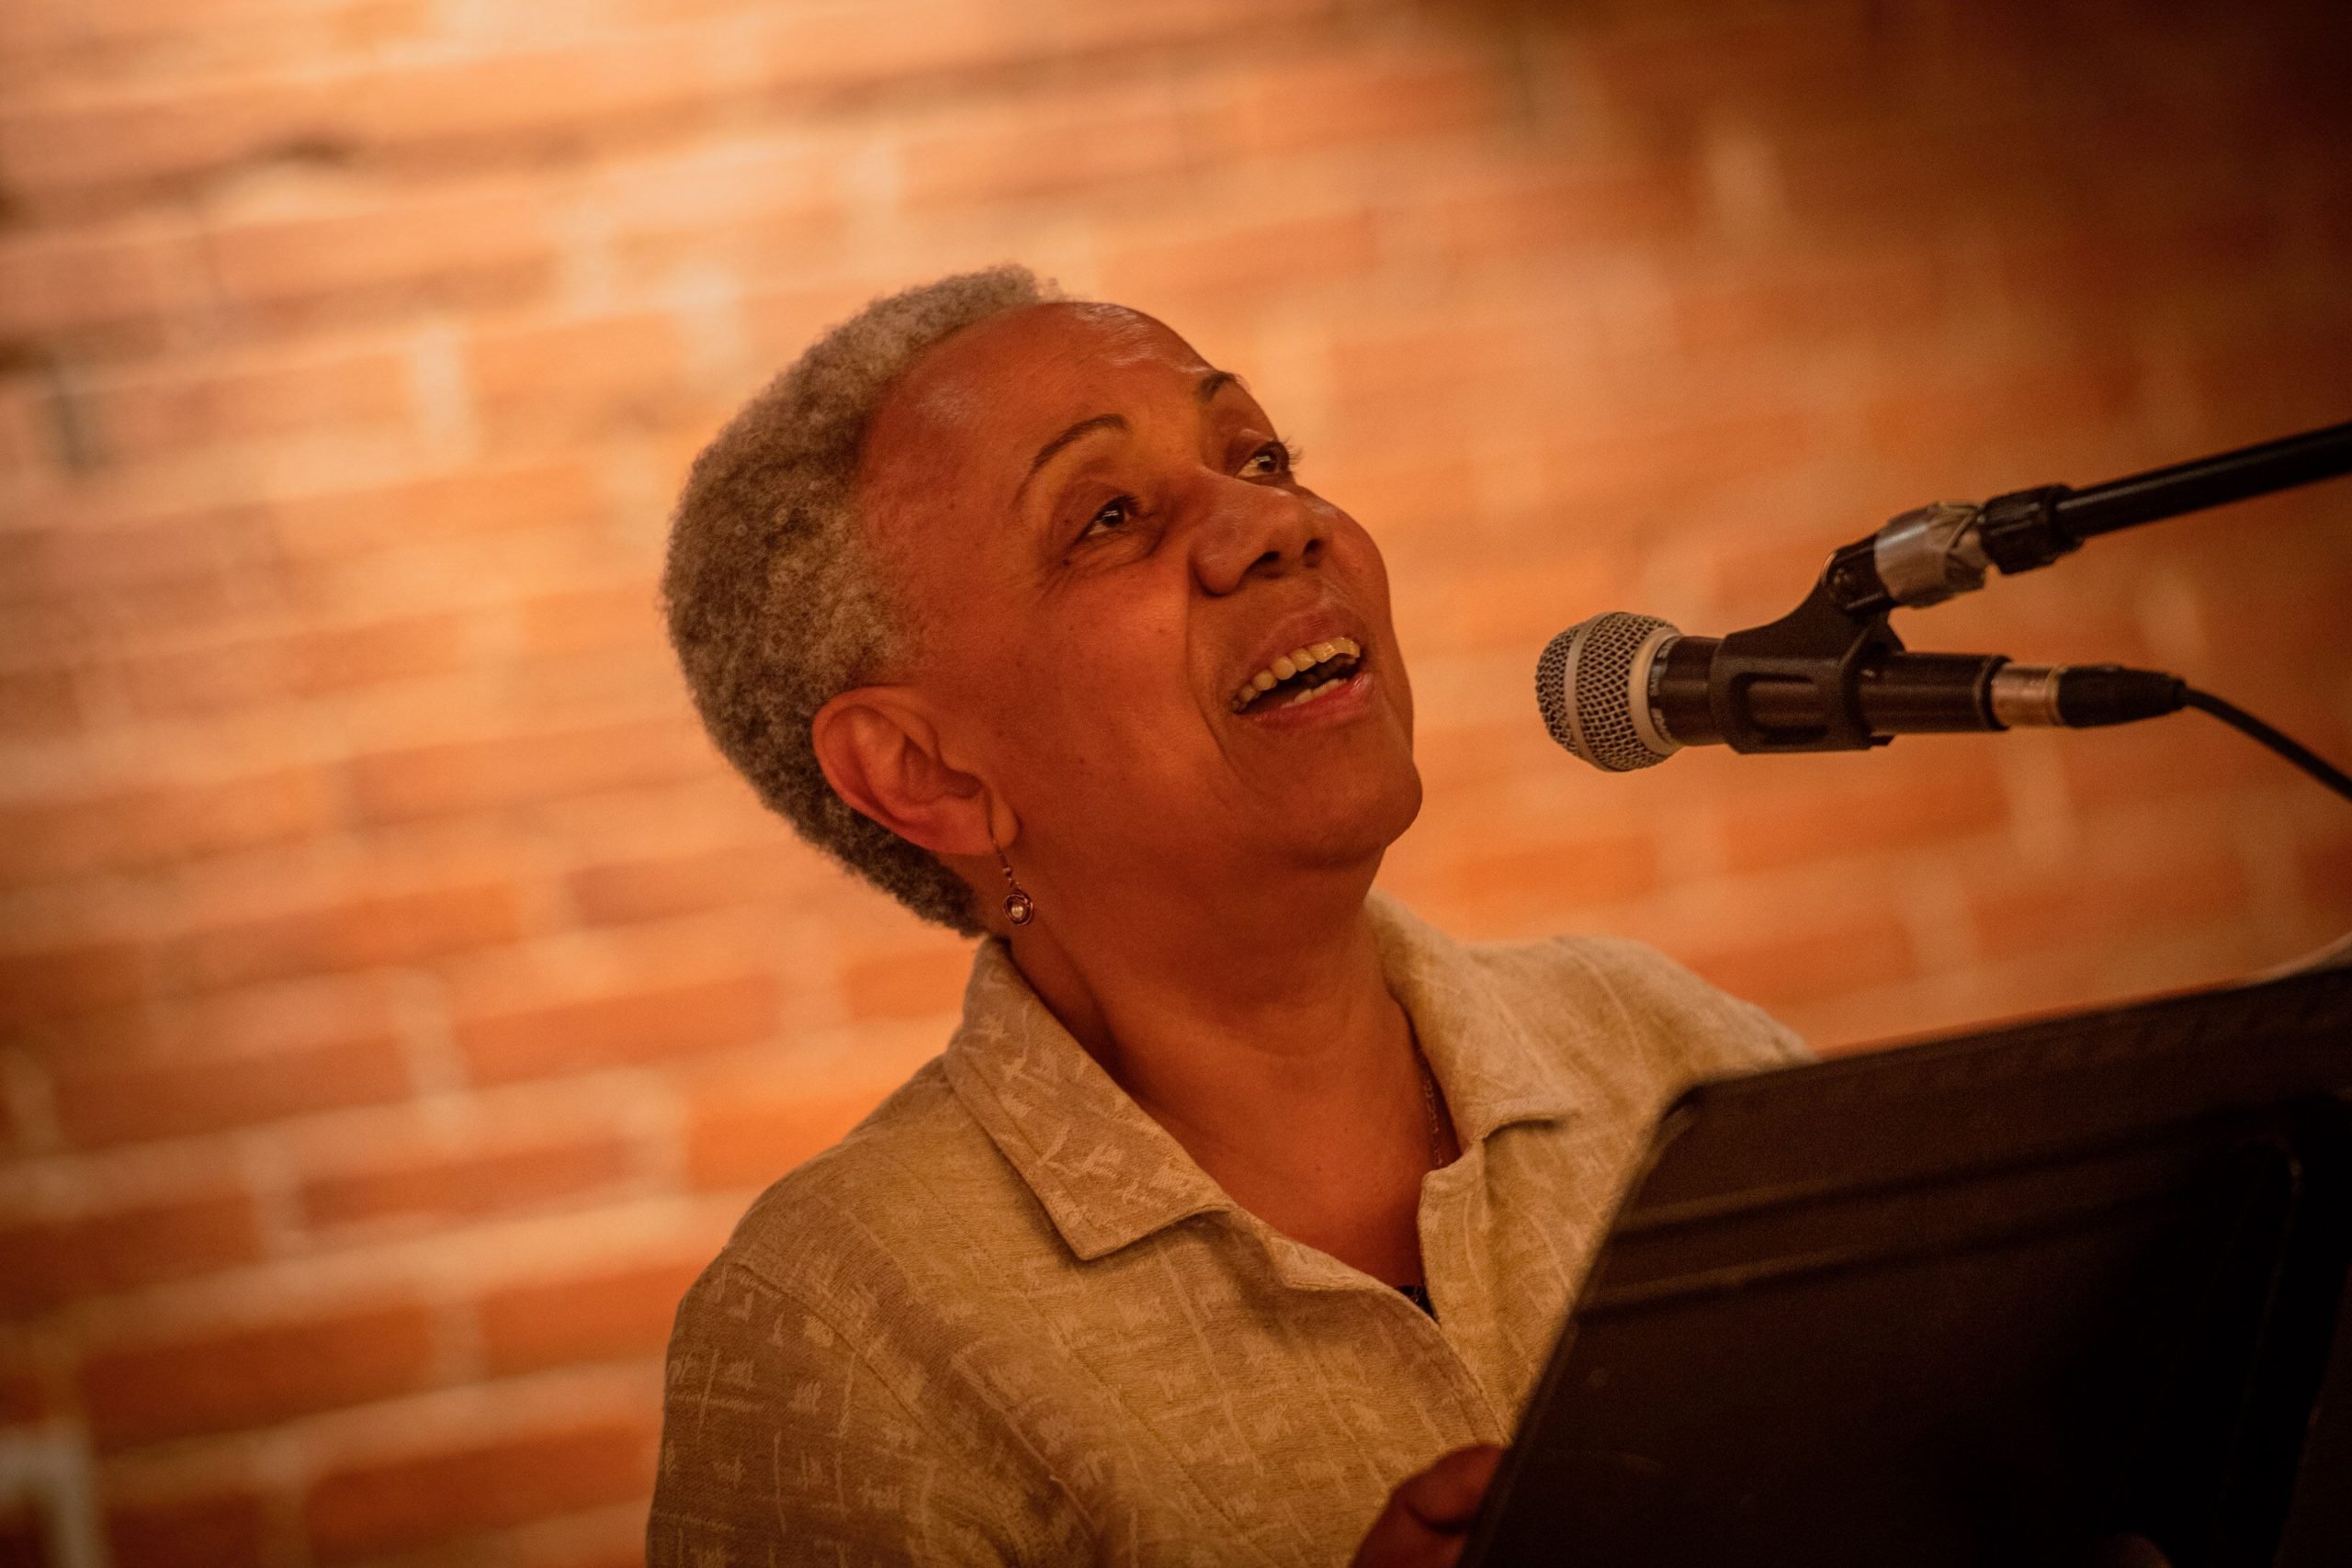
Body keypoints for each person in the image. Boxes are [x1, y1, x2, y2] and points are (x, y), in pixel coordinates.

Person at [648, 266, 1806, 1567]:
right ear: (925, 775)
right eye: (1108, 518)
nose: (1274, 521)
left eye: (1261, 455)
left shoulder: (1660, 1049)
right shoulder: (844, 1325)